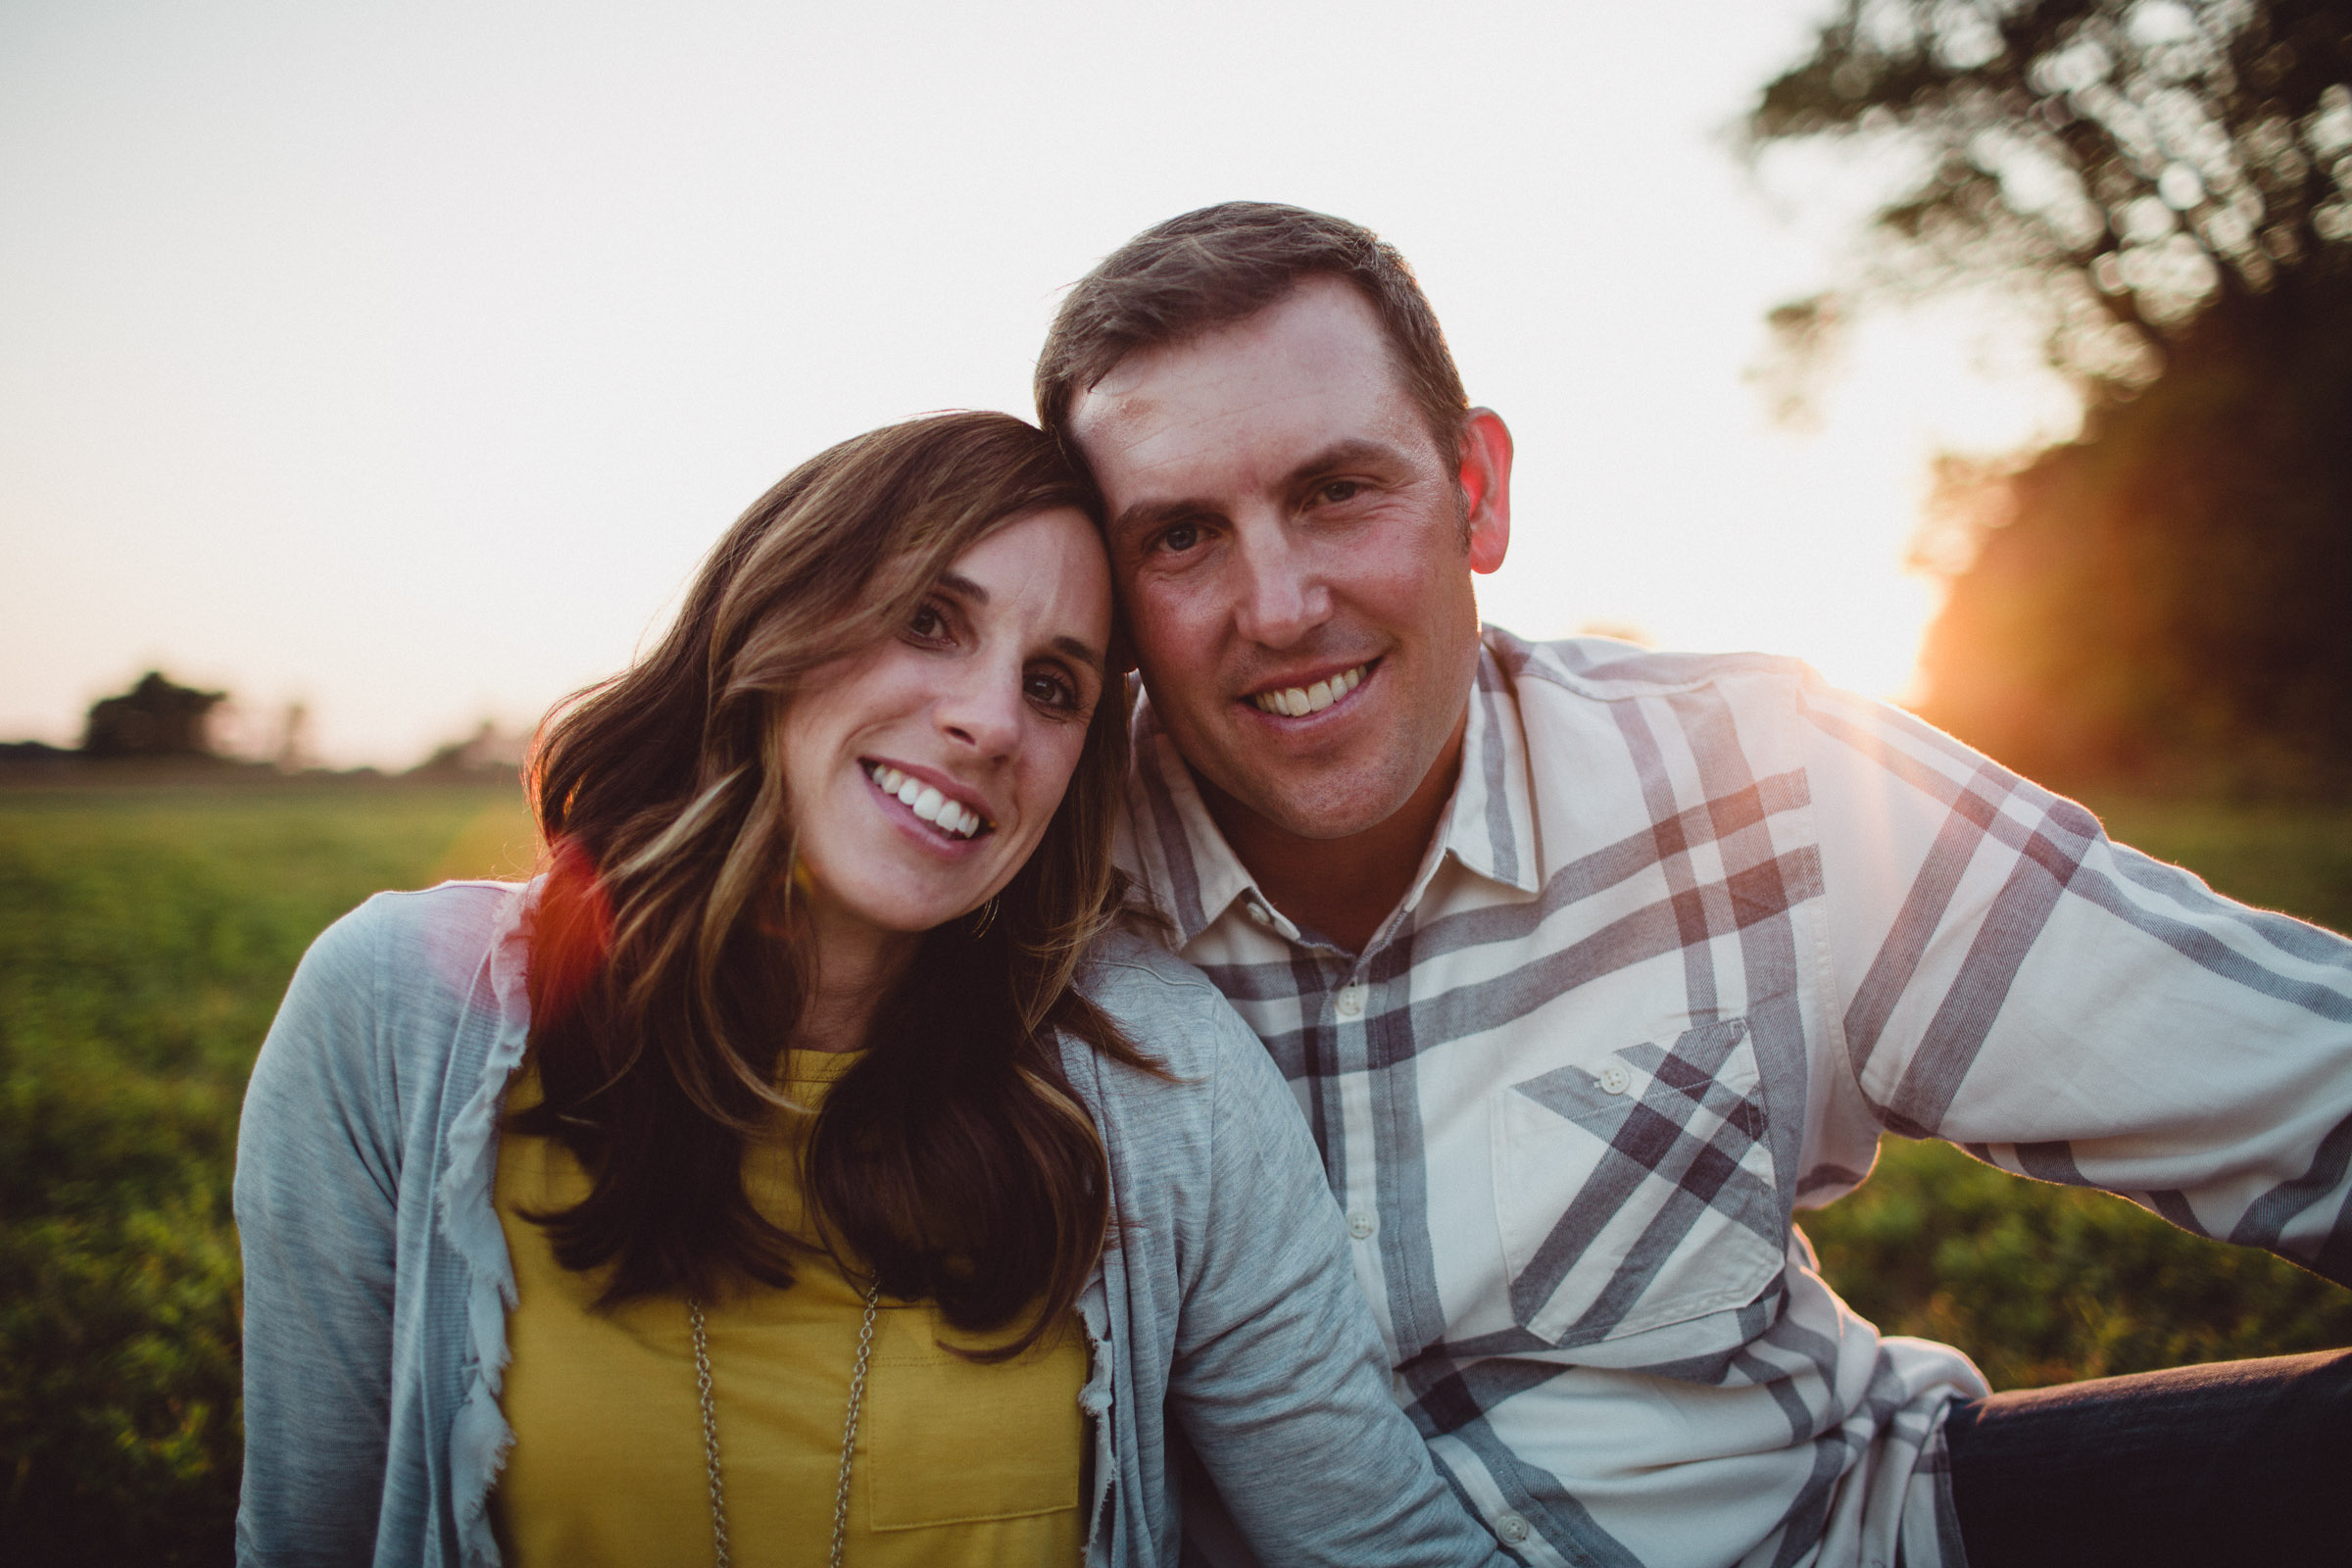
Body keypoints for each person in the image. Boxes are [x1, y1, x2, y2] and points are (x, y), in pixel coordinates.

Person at [1036, 203, 2352, 1568]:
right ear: (1113, 597)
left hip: (1853, 1536)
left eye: (1336, 491)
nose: (1282, 603)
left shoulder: (1760, 779)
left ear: (1476, 491)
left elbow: (2302, 1080)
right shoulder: (1039, 905)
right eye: (1181, 536)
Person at [233, 412, 1512, 1568]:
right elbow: (307, 1537)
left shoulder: (1160, 1082)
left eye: (1054, 684)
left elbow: (1376, 1544)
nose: (990, 721)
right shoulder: (399, 1018)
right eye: (929, 621)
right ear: (776, 624)